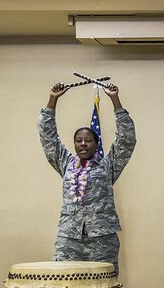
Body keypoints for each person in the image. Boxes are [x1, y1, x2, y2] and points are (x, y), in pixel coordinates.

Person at [39, 83, 136, 273]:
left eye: (88, 140)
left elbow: (126, 139)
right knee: (64, 287)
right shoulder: (66, 163)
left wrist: (114, 99)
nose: (83, 144)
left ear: (95, 143)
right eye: (79, 140)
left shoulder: (108, 166)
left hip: (102, 240)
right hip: (69, 238)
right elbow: (48, 137)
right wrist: (53, 99)